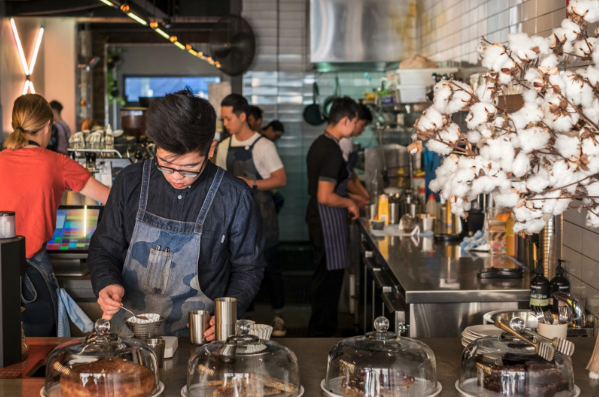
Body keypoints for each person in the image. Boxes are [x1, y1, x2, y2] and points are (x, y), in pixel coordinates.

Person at [88, 89, 266, 340]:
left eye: (190, 168)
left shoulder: (234, 196)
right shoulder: (130, 182)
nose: (176, 177)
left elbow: (249, 268)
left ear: (211, 149)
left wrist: (229, 314)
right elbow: (104, 248)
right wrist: (107, 283)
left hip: (199, 338)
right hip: (127, 336)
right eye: (166, 164)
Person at [0, 94, 110, 337]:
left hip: (1, 266)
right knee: (40, 349)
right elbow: (110, 198)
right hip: (34, 271)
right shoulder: (56, 163)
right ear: (48, 126)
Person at [216, 94, 288, 336]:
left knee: (271, 267)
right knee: (239, 268)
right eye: (223, 118)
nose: (225, 123)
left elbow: (281, 179)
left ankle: (278, 315)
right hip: (236, 218)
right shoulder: (224, 146)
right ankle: (244, 319)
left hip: (264, 215)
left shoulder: (264, 145)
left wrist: (251, 183)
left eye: (228, 118)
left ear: (242, 116)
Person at [305, 96, 367, 337]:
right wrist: (350, 202)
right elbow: (325, 196)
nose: (355, 128)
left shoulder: (320, 143)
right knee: (328, 281)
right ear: (346, 120)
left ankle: (320, 329)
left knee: (324, 278)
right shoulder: (331, 150)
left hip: (321, 220)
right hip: (325, 220)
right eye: (355, 122)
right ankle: (321, 334)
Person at [341, 103, 372, 201]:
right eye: (362, 125)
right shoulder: (343, 141)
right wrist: (363, 196)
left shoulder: (348, 140)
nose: (362, 130)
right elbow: (346, 178)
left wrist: (364, 193)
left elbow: (351, 173)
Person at [260, 120, 286, 213]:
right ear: (270, 129)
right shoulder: (264, 143)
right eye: (277, 136)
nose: (276, 139)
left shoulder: (266, 142)